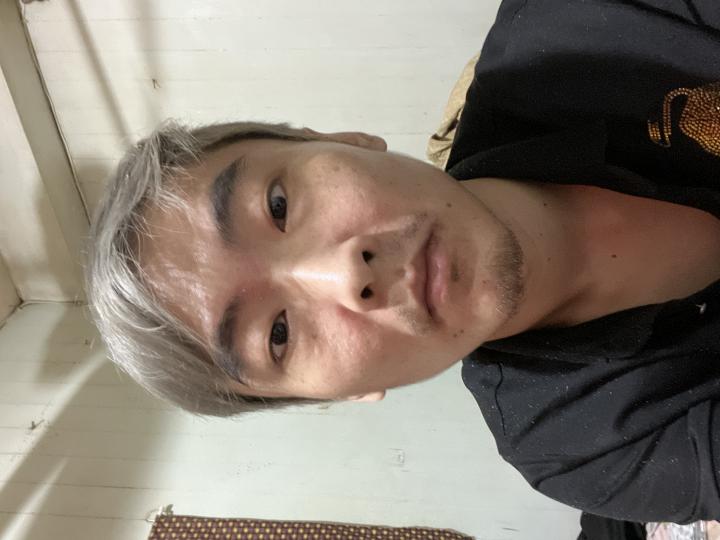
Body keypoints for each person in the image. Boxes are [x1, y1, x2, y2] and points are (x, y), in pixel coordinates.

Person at [85, 0, 720, 526]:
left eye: (278, 205)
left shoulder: (584, 24)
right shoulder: (576, 446)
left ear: (341, 140)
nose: (346, 275)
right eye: (277, 334)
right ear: (345, 394)